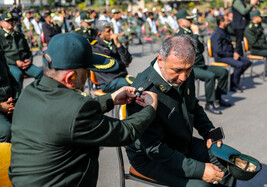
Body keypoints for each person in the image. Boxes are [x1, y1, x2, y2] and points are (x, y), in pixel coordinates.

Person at [9, 33, 158, 186]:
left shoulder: (30, 92)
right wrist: (150, 108)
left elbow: (65, 116)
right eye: (87, 72)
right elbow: (125, 132)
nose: (88, 77)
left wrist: (110, 99)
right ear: (70, 78)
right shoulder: (76, 110)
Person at [126, 35, 236, 187]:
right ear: (160, 60)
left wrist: (209, 132)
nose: (183, 77)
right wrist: (200, 170)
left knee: (229, 165)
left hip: (181, 143)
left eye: (188, 69)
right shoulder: (143, 94)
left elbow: (194, 106)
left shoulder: (184, 71)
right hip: (151, 158)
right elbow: (154, 149)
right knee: (202, 185)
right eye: (177, 70)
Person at [175, 9, 231, 115]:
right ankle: (209, 104)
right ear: (181, 21)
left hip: (201, 65)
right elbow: (191, 49)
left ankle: (218, 97)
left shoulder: (189, 32)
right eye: (189, 20)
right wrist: (196, 35)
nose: (191, 22)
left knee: (223, 72)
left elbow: (201, 48)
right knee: (210, 76)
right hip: (191, 67)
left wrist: (195, 41)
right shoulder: (179, 35)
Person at [0, 12, 43, 89]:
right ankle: (18, 98)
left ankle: (37, 93)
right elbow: (2, 56)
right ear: (2, 23)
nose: (11, 23)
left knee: (40, 72)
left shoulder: (19, 35)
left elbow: (28, 51)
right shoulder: (0, 37)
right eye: (8, 21)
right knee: (18, 74)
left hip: (24, 63)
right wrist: (15, 62)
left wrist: (29, 60)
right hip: (10, 64)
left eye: (12, 20)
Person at [211, 15, 252, 91]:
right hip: (221, 57)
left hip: (229, 55)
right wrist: (232, 54)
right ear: (221, 22)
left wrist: (235, 52)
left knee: (247, 62)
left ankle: (232, 80)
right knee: (239, 65)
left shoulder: (225, 31)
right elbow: (218, 50)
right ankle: (234, 84)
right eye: (227, 20)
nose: (229, 22)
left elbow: (230, 44)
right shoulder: (216, 34)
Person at [91, 20, 133, 93]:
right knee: (133, 85)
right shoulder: (95, 48)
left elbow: (127, 60)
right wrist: (123, 63)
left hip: (121, 77)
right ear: (100, 34)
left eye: (111, 30)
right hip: (108, 81)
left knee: (142, 80)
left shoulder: (114, 43)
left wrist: (119, 45)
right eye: (108, 31)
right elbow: (113, 64)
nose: (112, 33)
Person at [0, 50, 20, 143]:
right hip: (1, 106)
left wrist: (15, 99)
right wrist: (1, 106)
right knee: (6, 132)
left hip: (10, 102)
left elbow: (12, 79)